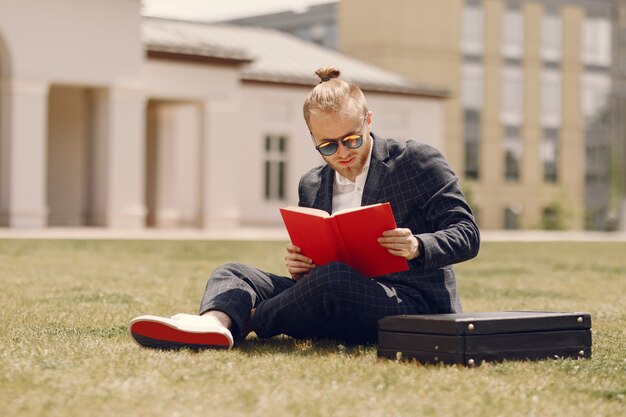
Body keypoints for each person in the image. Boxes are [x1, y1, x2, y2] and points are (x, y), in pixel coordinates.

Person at [129, 67, 480, 350]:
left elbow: (467, 234)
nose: (342, 153)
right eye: (327, 145)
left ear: (369, 120)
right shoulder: (312, 183)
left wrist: (417, 245)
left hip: (410, 304)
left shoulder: (417, 162)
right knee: (233, 272)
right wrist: (301, 267)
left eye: (352, 139)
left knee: (334, 280)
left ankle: (248, 319)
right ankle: (214, 325)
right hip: (334, 294)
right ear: (311, 137)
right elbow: (317, 263)